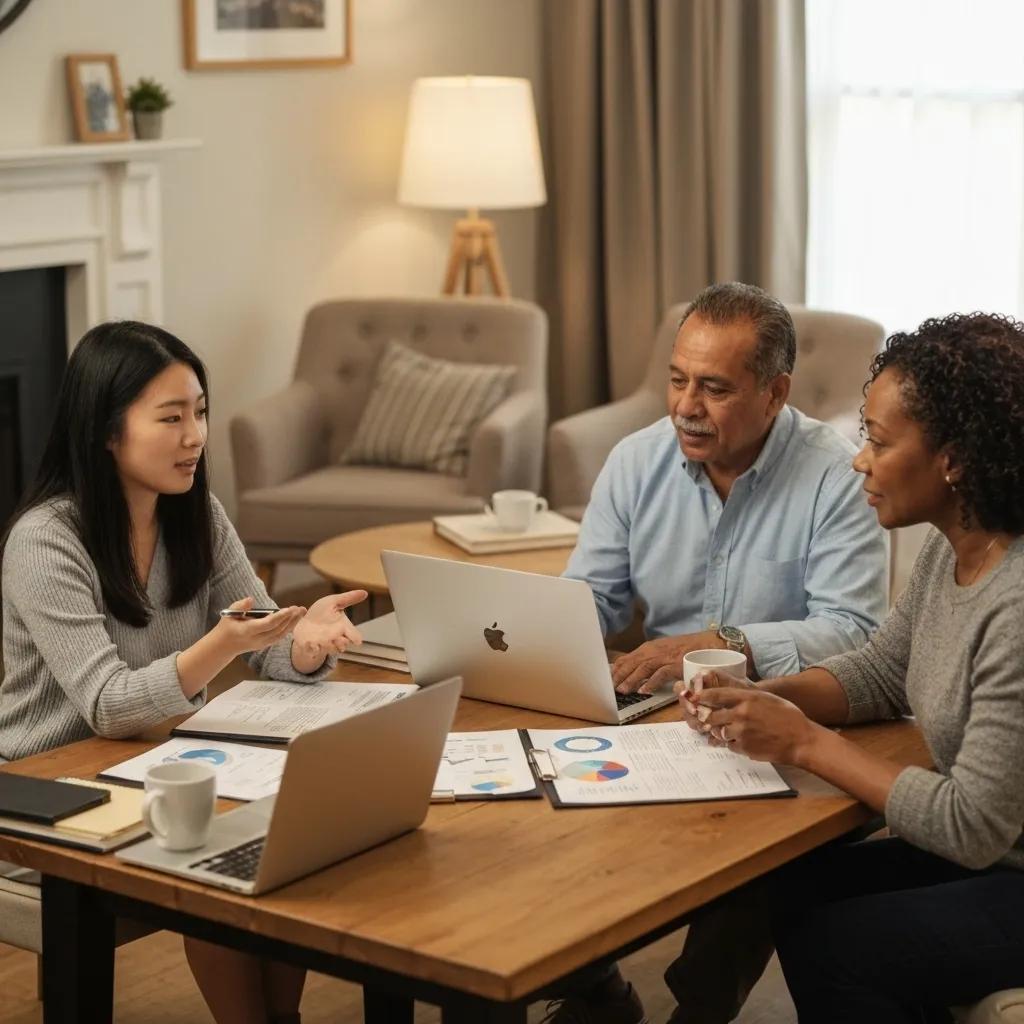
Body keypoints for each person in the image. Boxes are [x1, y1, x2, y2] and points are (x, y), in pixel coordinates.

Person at [0, 321, 367, 1024]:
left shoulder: (196, 512)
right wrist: (226, 643)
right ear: (107, 432)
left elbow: (263, 641)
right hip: (45, 789)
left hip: (150, 763)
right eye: (171, 418)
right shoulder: (45, 541)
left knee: (294, 827)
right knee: (221, 848)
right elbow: (108, 706)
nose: (195, 434)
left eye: (199, 411)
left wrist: (306, 643)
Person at [671, 311, 1024, 1023]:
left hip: (1002, 860)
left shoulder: (1015, 603)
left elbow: (970, 826)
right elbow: (879, 673)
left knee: (841, 945)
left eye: (879, 440)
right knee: (791, 879)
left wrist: (802, 741)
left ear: (954, 459)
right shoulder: (953, 547)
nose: (859, 458)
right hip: (1000, 857)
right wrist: (756, 697)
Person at [563, 282, 888, 700]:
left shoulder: (838, 477)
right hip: (658, 702)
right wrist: (542, 637)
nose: (686, 407)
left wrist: (724, 644)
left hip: (781, 709)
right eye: (678, 381)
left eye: (714, 389)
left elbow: (853, 630)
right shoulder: (634, 461)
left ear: (775, 394)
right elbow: (593, 596)